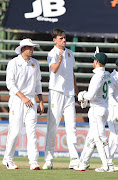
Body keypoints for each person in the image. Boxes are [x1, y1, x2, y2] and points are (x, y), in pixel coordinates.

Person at [2, 38, 44, 170]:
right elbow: (10, 84)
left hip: (31, 100)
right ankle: (8, 159)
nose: (32, 50)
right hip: (17, 100)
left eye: (32, 48)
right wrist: (23, 98)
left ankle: (33, 161)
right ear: (22, 48)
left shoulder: (35, 63)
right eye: (30, 47)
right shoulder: (13, 63)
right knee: (14, 131)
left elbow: (38, 83)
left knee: (31, 131)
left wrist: (41, 101)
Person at [43, 28, 79, 170]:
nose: (64, 40)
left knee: (72, 127)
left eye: (64, 38)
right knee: (53, 126)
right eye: (60, 38)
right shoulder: (52, 53)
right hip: (56, 93)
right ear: (54, 40)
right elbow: (54, 70)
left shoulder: (70, 53)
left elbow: (72, 74)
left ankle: (74, 160)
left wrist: (76, 92)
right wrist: (59, 59)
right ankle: (48, 160)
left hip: (69, 94)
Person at [74, 52, 115, 172]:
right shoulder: (107, 74)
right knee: (91, 139)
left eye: (94, 60)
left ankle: (108, 165)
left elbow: (90, 95)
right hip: (104, 108)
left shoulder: (96, 77)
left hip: (96, 109)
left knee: (100, 138)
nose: (93, 62)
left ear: (96, 62)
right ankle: (83, 163)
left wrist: (82, 95)